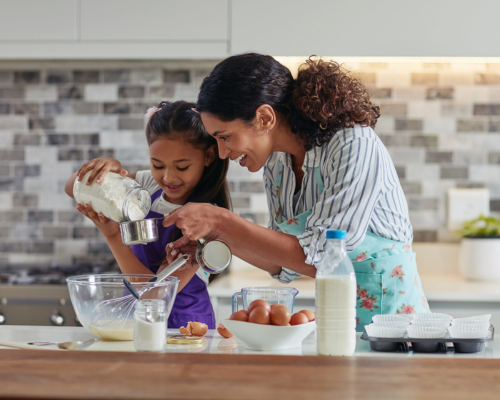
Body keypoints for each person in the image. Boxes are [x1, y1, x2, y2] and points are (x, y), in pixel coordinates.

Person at [163, 54, 429, 330]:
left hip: (395, 325)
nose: (222, 152)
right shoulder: (277, 163)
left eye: (225, 136)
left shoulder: (353, 145)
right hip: (337, 321)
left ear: (265, 118)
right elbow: (284, 262)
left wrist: (221, 220)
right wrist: (218, 237)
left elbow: (326, 259)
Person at [65, 101, 230, 329]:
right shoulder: (147, 185)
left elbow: (155, 295)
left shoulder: (204, 218)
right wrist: (108, 172)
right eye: (157, 164)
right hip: (141, 319)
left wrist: (113, 236)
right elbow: (71, 186)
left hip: (185, 328)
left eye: (181, 167)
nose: (168, 177)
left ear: (209, 156)